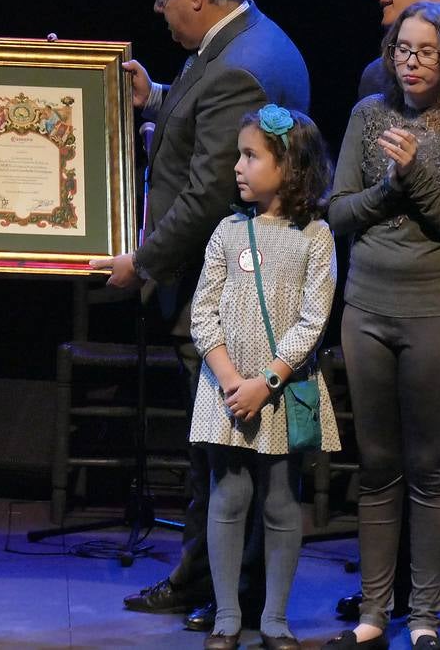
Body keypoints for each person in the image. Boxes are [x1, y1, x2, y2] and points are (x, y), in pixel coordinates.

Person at [93, 0, 310, 625]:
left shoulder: (239, 65)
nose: (157, 9)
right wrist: (156, 96)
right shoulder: (242, 47)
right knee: (215, 452)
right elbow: (207, 128)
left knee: (232, 455)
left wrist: (142, 263)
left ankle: (233, 597)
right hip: (240, 284)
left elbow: (210, 192)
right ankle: (205, 584)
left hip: (235, 293)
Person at [327, 0, 440, 650]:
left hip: (439, 313)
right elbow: (339, 213)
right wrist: (388, 190)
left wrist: (414, 174)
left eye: (424, 51)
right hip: (366, 308)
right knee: (378, 465)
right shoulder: (367, 116)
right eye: (402, 49)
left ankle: (425, 615)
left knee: (431, 466)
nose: (411, 61)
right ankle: (374, 612)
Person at [189, 106, 340, 650]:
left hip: (279, 391)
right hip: (226, 389)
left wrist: (266, 382)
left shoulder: (315, 236)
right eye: (239, 154)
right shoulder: (228, 232)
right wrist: (232, 379)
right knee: (227, 496)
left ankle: (274, 617)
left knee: (280, 499)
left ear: (290, 166)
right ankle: (227, 614)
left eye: (251, 156)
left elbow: (312, 320)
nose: (238, 165)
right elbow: (202, 312)